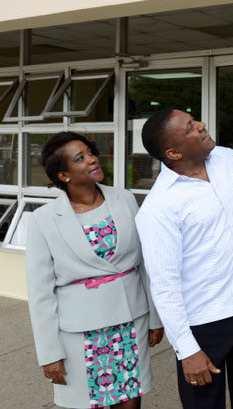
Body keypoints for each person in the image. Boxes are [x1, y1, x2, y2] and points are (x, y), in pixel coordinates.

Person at [134, 109, 233, 409]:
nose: (201, 125)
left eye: (195, 120)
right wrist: (186, 350)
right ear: (173, 152)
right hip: (203, 325)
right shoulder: (159, 208)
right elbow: (164, 285)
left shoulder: (222, 159)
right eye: (190, 127)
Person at [26, 132, 164, 409]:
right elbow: (40, 292)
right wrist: (49, 353)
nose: (92, 159)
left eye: (90, 152)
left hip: (129, 320)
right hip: (81, 330)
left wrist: (154, 316)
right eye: (80, 158)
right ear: (64, 175)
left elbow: (146, 262)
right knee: (89, 403)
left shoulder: (124, 198)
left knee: (129, 401)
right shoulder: (43, 220)